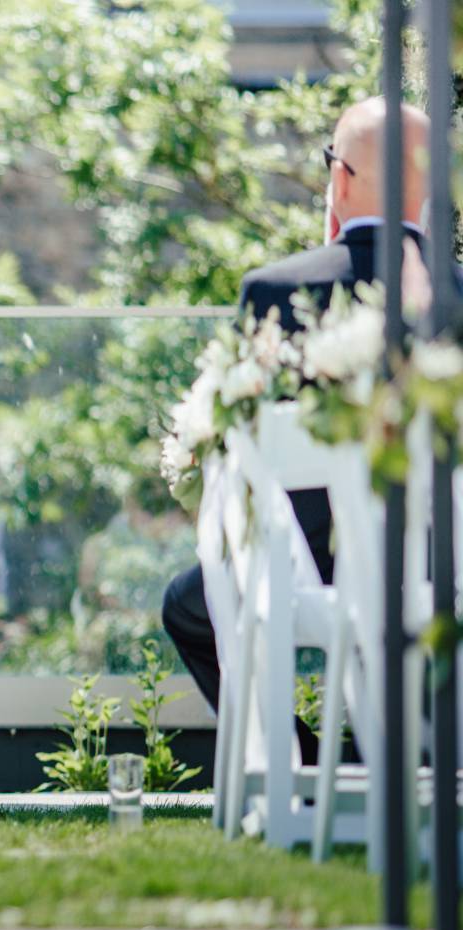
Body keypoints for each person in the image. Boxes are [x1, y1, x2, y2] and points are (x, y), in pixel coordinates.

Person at [162, 96, 441, 713]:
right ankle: (422, 758)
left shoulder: (277, 289)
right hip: (442, 569)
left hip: (308, 567)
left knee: (188, 608)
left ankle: (299, 765)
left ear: (339, 176)